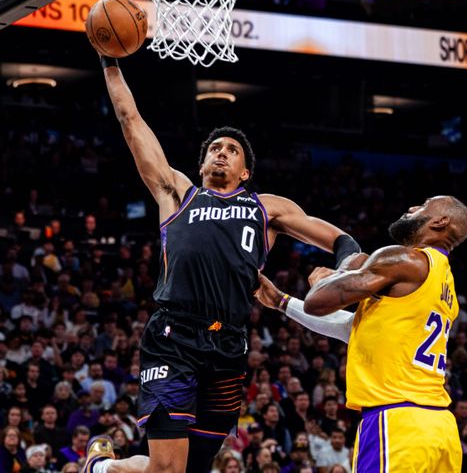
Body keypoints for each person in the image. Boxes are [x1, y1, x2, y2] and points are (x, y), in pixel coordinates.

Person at [81, 53, 361, 473]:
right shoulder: (178, 193)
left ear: (245, 172)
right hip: (173, 337)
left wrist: (341, 269)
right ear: (201, 164)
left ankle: (104, 467)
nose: (222, 153)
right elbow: (130, 119)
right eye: (215, 148)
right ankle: (101, 468)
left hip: (228, 343)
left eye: (232, 150)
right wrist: (109, 61)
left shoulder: (266, 208)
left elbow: (341, 240)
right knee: (169, 469)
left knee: (191, 469)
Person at [257, 195, 467, 471]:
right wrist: (281, 302)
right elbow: (354, 329)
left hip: (397, 422)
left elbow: (317, 302)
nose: (412, 207)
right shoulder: (446, 287)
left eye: (424, 205)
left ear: (441, 221)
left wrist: (329, 276)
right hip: (440, 429)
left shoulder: (404, 258)